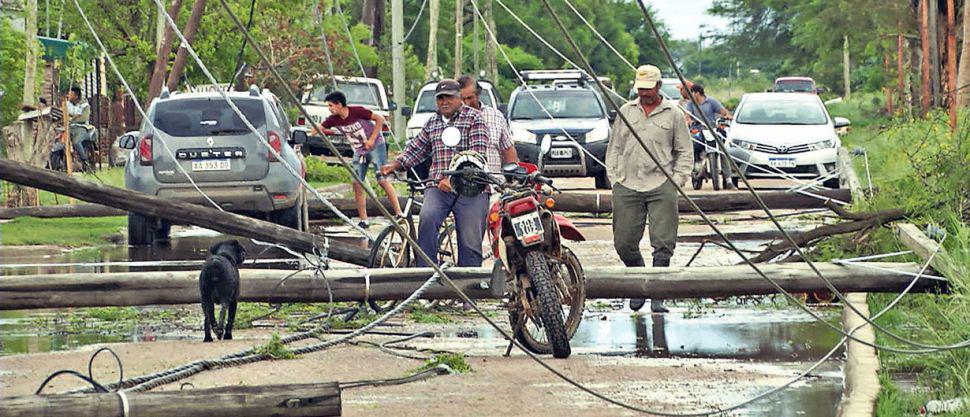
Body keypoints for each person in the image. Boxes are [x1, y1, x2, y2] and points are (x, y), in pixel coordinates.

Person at [605, 65, 692, 314]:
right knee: (624, 243)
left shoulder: (673, 114)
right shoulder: (626, 111)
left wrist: (677, 179)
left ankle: (657, 294)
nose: (644, 93)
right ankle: (639, 283)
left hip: (661, 183)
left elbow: (684, 150)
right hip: (627, 183)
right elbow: (615, 148)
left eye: (649, 88)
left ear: (658, 86)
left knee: (663, 243)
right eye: (641, 88)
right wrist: (614, 177)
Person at [379, 79, 490, 267]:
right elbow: (417, 148)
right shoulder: (433, 122)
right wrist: (395, 165)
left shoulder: (474, 119)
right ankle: (427, 273)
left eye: (449, 97)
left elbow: (476, 155)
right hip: (438, 187)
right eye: (440, 98)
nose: (444, 102)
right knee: (427, 218)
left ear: (459, 98)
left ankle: (469, 281)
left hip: (471, 188)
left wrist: (453, 178)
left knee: (470, 239)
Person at [316, 91, 402, 228]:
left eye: (331, 105)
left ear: (339, 104)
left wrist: (372, 139)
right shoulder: (333, 119)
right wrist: (312, 131)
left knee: (382, 179)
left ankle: (399, 213)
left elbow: (380, 119)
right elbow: (319, 128)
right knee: (357, 183)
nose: (329, 109)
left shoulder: (357, 111)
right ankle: (364, 220)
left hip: (376, 146)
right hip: (359, 151)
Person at [457, 75, 517, 173]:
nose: (466, 103)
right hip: (462, 180)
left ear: (478, 94)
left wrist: (513, 174)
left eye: (470, 98)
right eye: (462, 99)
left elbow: (508, 150)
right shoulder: (452, 119)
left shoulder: (495, 116)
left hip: (494, 179)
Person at [683, 83, 737, 190]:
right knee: (693, 146)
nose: (690, 95)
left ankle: (728, 181)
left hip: (713, 130)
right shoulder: (690, 104)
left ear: (697, 93)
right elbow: (687, 116)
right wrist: (688, 121)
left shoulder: (711, 101)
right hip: (698, 130)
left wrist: (727, 116)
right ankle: (695, 169)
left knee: (723, 152)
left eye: (691, 93)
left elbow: (723, 112)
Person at [67, 86, 92, 162]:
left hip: (82, 127)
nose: (69, 96)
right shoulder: (68, 104)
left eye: (71, 94)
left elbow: (83, 118)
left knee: (76, 141)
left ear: (76, 96)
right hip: (69, 127)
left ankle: (84, 159)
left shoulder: (85, 105)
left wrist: (72, 119)